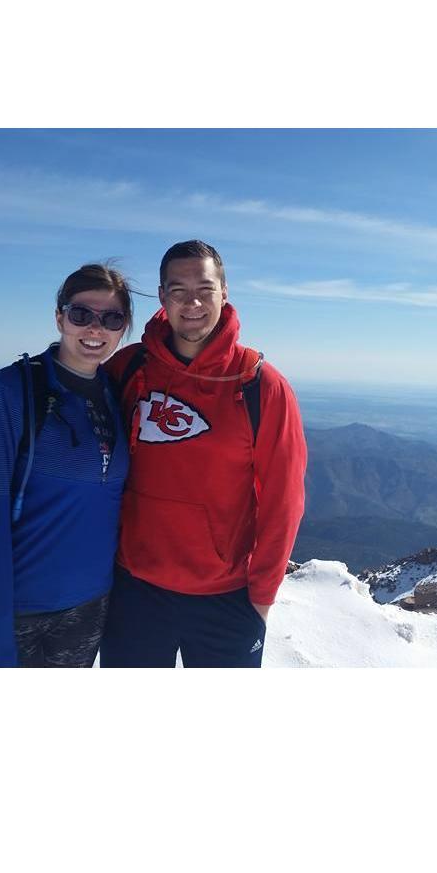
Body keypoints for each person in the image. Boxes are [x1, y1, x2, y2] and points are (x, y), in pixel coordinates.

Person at [100, 240, 307, 668]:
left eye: (205, 288)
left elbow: (283, 501)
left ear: (224, 292)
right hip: (134, 591)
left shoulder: (261, 386)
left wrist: (261, 599)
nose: (191, 302)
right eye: (178, 290)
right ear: (162, 297)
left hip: (225, 598)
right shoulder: (127, 370)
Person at [0, 263, 133, 667]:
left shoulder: (118, 395)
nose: (95, 328)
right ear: (59, 317)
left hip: (86, 610)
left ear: (124, 328)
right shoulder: (13, 390)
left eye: (112, 318)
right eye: (81, 314)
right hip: (11, 611)